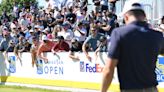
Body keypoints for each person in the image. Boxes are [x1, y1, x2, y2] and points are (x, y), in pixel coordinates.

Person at [101, 1, 164, 92]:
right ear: (144, 16)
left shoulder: (119, 34)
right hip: (152, 89)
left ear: (126, 16)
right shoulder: (157, 35)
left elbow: (108, 70)